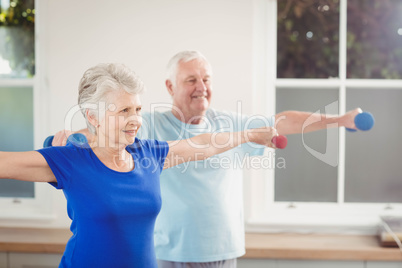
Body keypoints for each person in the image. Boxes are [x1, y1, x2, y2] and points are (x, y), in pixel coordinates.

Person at [52, 51, 360, 268]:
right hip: (167, 251)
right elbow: (109, 129)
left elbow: (283, 121)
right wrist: (76, 136)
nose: (202, 87)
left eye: (206, 79)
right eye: (191, 80)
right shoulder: (150, 125)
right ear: (170, 87)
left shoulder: (228, 122)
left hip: (220, 251)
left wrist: (341, 119)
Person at [0, 63, 278, 268]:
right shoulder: (71, 160)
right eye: (124, 111)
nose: (135, 120)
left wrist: (250, 134)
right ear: (92, 117)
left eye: (137, 109)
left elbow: (204, 144)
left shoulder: (148, 155)